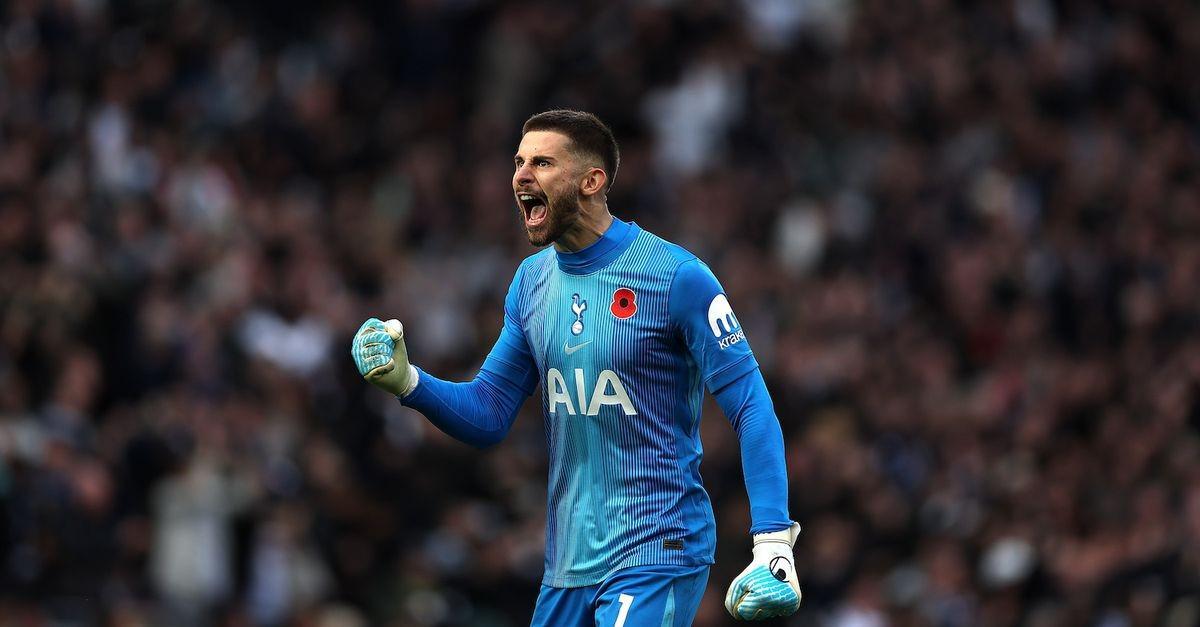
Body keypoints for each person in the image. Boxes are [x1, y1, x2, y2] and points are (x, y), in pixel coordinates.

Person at [350, 110, 801, 625]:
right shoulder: (531, 282)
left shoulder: (676, 276)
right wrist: (408, 381)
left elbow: (751, 405)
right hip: (568, 566)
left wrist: (773, 544)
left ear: (592, 181)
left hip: (656, 549)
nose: (521, 176)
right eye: (519, 162)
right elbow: (489, 411)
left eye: (542, 163)